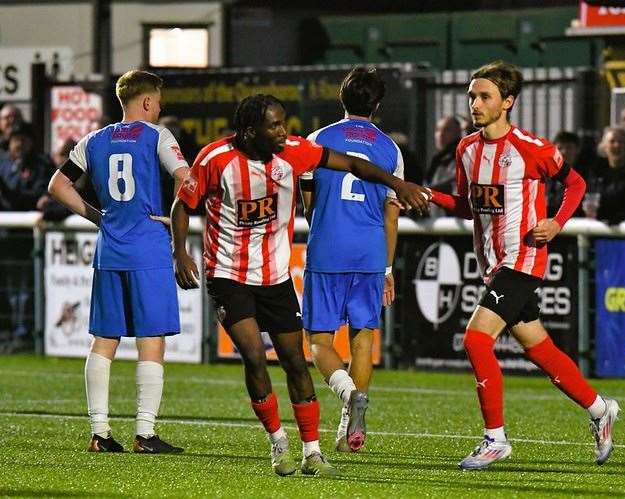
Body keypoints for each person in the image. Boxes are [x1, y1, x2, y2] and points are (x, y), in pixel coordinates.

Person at [170, 94, 428, 477]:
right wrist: (180, 253)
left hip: (275, 277)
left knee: (295, 360)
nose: (282, 132)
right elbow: (181, 205)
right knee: (255, 355)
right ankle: (278, 443)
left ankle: (312, 453)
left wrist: (396, 183)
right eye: (273, 125)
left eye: (283, 123)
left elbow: (354, 164)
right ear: (249, 130)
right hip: (228, 275)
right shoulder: (215, 159)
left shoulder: (294, 151)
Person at [426, 61, 620, 470]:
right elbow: (468, 207)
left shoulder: (531, 148)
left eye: (484, 97)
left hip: (524, 258)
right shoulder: (466, 149)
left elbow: (576, 184)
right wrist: (428, 195)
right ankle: (600, 409)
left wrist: (556, 221)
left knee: (476, 340)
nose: (475, 104)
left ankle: (495, 439)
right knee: (538, 347)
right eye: (472, 96)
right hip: (494, 264)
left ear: (507, 102)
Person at [46, 70, 189, 454]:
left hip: (110, 248)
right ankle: (145, 433)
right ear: (146, 102)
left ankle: (100, 433)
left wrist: (96, 215)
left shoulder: (94, 139)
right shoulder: (157, 136)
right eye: (157, 101)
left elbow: (57, 185)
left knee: (103, 341)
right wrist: (174, 221)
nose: (159, 108)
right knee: (151, 339)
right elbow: (184, 178)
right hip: (148, 248)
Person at [299, 67, 402, 453]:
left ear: (341, 99)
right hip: (371, 251)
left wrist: (324, 222)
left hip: (328, 247)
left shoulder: (318, 139)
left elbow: (307, 200)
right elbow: (392, 215)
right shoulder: (390, 149)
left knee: (320, 342)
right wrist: (388, 267)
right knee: (363, 338)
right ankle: (349, 430)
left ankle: (347, 396)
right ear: (377, 105)